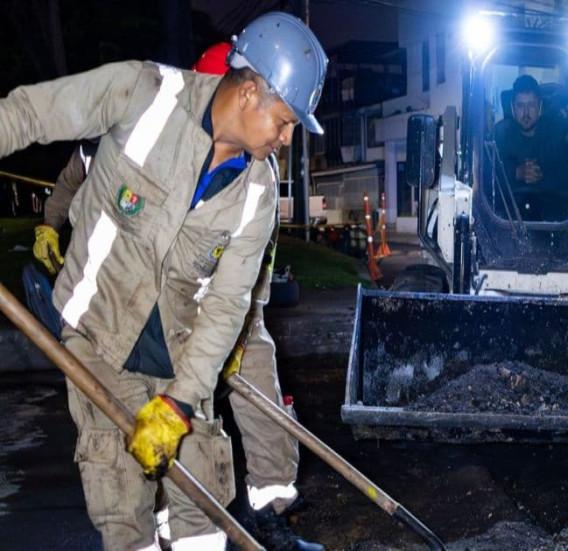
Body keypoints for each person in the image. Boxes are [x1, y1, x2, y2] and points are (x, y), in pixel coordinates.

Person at [1, 11, 327, 550]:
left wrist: (181, 402)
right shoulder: (142, 94)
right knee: (124, 510)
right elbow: (30, 113)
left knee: (204, 514)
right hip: (99, 340)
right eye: (285, 121)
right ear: (250, 91)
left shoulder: (258, 192)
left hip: (181, 357)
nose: (286, 138)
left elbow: (227, 305)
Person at [493, 74, 568, 220]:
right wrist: (516, 173)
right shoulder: (499, 135)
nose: (526, 113)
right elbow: (488, 178)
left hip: (552, 220)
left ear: (540, 106)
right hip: (507, 219)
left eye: (531, 105)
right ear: (512, 107)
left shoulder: (556, 135)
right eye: (520, 106)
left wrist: (542, 176)